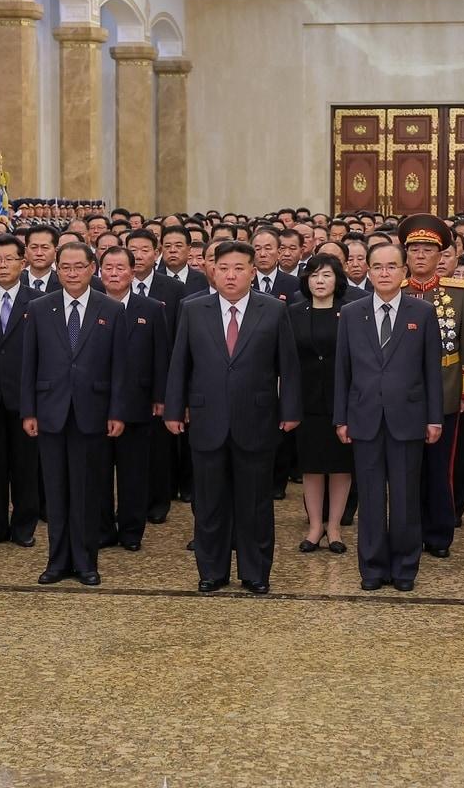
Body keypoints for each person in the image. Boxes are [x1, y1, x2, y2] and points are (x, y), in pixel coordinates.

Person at [165, 240, 301, 595]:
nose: (230, 275)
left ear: (252, 272)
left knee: (255, 503)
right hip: (207, 420)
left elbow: (288, 365)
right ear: (212, 270)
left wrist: (289, 410)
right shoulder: (193, 309)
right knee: (209, 503)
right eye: (223, 267)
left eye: (239, 268)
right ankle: (212, 571)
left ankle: (256, 572)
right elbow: (180, 364)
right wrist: (174, 409)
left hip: (257, 419)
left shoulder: (272, 310)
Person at [334, 244, 444, 591]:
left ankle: (405, 568)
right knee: (369, 498)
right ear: (367, 271)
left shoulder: (422, 312)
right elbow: (343, 370)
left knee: (405, 498)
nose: (384, 272)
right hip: (364, 418)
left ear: (403, 271)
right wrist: (341, 418)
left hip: (408, 419)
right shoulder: (351, 313)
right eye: (377, 266)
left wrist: (434, 418)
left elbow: (432, 371)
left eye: (391, 266)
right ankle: (372, 568)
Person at [21, 244, 127, 587]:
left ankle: (85, 561)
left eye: (78, 267)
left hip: (92, 413)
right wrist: (29, 411)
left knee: (86, 490)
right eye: (64, 267)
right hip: (50, 411)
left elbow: (119, 367)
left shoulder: (110, 309)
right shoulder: (39, 308)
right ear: (57, 269)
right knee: (55, 490)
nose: (71, 273)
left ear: (92, 268)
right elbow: (29, 365)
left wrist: (116, 411)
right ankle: (57, 561)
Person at [399, 214, 464, 557]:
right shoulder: (397, 291)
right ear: (405, 255)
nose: (420, 256)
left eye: (428, 250)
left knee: (441, 467)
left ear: (441, 256)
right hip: (403, 394)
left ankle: (439, 533)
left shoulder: (460, 294)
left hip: (446, 391)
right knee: (406, 469)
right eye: (415, 249)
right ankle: (409, 530)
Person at [98, 245, 170, 551]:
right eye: (108, 268)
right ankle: (102, 529)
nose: (114, 273)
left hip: (139, 402)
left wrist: (160, 396)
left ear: (133, 271)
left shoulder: (151, 308)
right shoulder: (91, 306)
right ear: (100, 273)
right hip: (97, 402)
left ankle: (130, 531)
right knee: (99, 471)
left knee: (134, 472)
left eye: (120, 268)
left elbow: (160, 355)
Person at [0, 234, 42, 547]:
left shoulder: (38, 303)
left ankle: (24, 526)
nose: (3, 265)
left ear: (22, 263)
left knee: (26, 467)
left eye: (10, 259)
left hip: (24, 397)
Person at [289, 254, 357, 554]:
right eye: (314, 275)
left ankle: (335, 527)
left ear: (337, 280)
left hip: (342, 399)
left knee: (341, 466)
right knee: (312, 466)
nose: (319, 281)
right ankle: (315, 526)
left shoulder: (352, 312)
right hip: (306, 399)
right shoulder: (293, 312)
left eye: (326, 275)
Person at [252, 227, 300, 302]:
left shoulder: (294, 283)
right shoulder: (245, 281)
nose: (262, 254)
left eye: (268, 248)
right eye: (257, 249)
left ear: (279, 252)